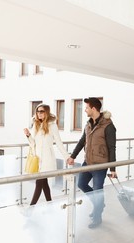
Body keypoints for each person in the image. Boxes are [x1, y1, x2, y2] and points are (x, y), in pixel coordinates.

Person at [67, 97, 117, 228]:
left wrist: (112, 169)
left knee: (97, 191)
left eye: (87, 108)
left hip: (100, 165)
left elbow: (112, 147)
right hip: (87, 162)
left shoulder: (108, 126)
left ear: (93, 108)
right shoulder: (88, 124)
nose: (85, 110)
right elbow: (82, 141)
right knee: (82, 184)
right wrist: (73, 156)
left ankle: (97, 217)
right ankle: (98, 204)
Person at [23, 103, 70, 206]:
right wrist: (28, 135)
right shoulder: (36, 124)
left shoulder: (52, 125)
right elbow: (33, 143)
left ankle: (30, 209)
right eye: (37, 111)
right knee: (44, 183)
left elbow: (58, 142)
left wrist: (66, 156)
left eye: (41, 111)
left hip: (47, 159)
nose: (39, 114)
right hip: (38, 159)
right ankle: (50, 204)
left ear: (46, 112)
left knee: (39, 183)